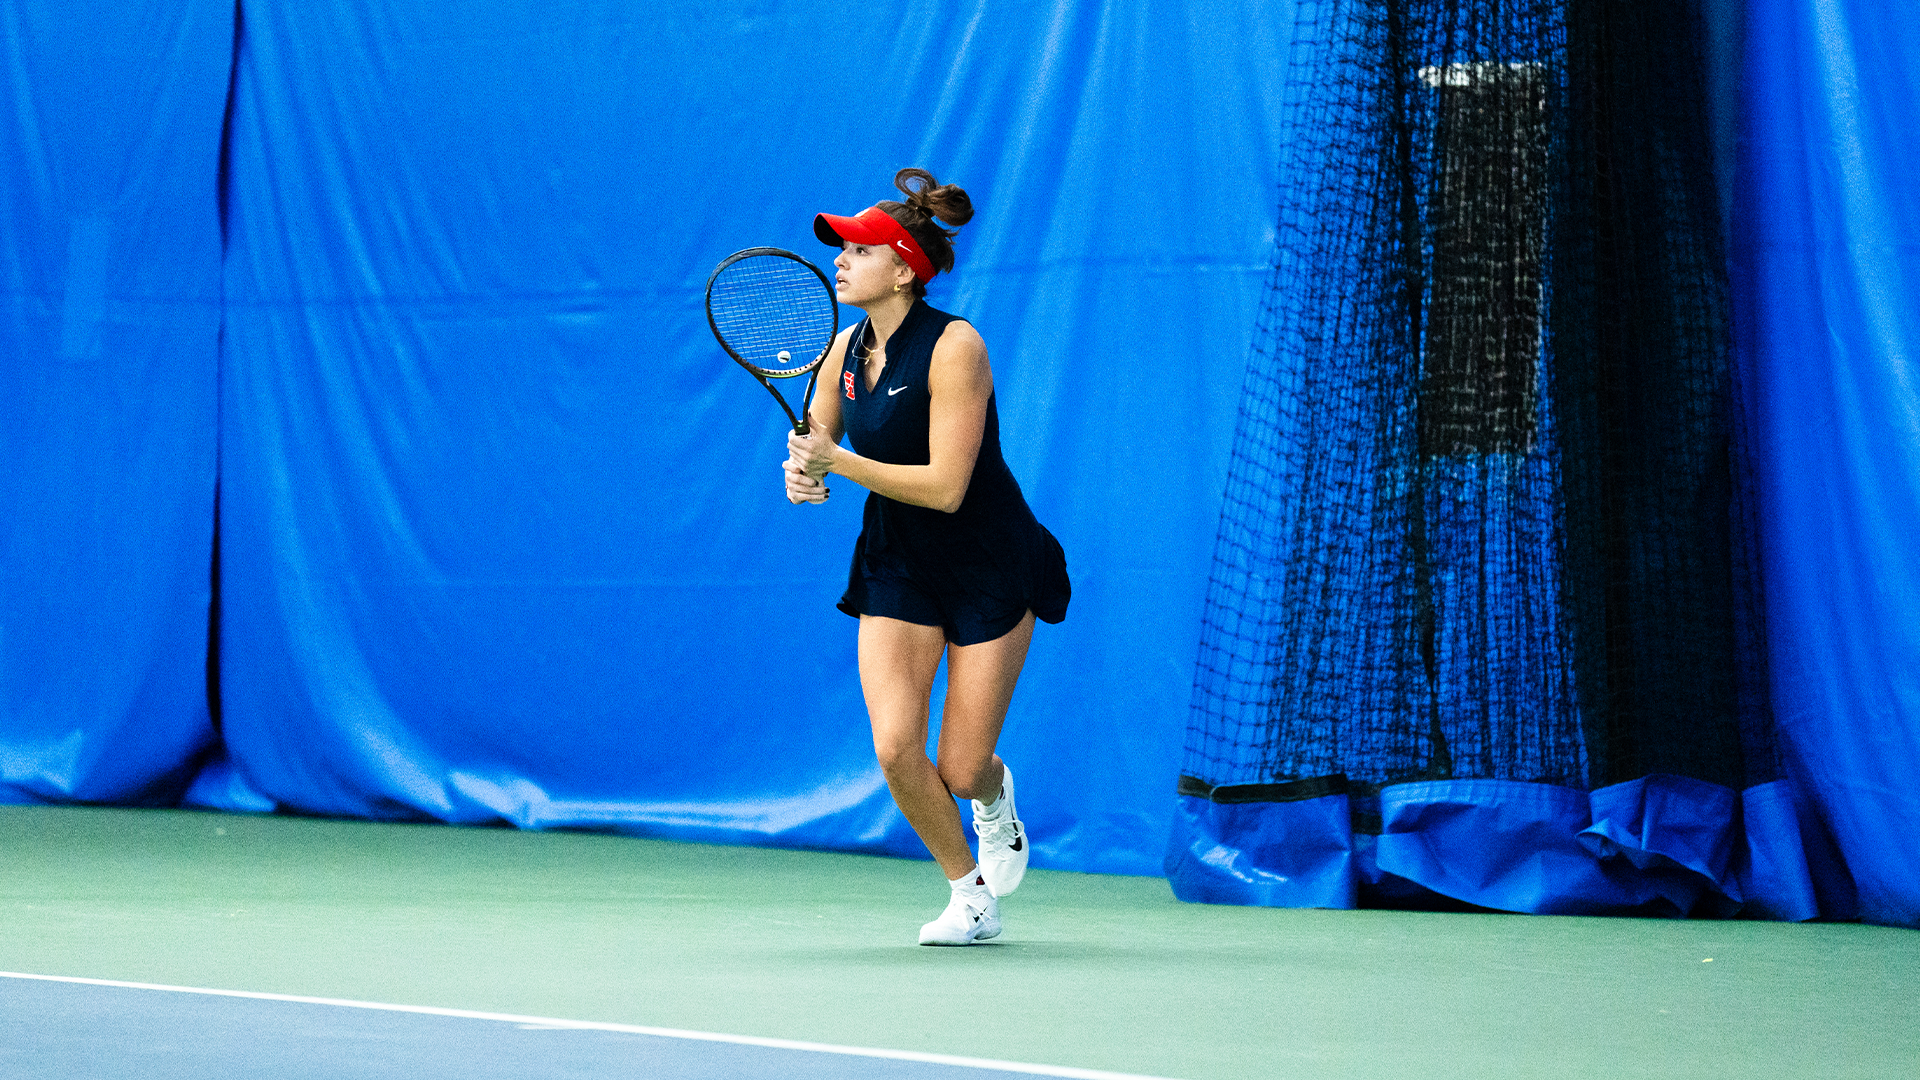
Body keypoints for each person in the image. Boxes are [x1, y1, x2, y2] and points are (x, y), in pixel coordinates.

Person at [784, 168, 1069, 946]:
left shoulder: (955, 347)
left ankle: (993, 798)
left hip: (988, 561)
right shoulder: (841, 352)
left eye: (859, 249)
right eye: (841, 248)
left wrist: (838, 465)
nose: (841, 259)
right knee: (894, 746)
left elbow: (946, 487)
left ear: (905, 268)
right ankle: (969, 895)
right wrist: (802, 474)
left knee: (961, 766)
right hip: (897, 562)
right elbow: (816, 445)